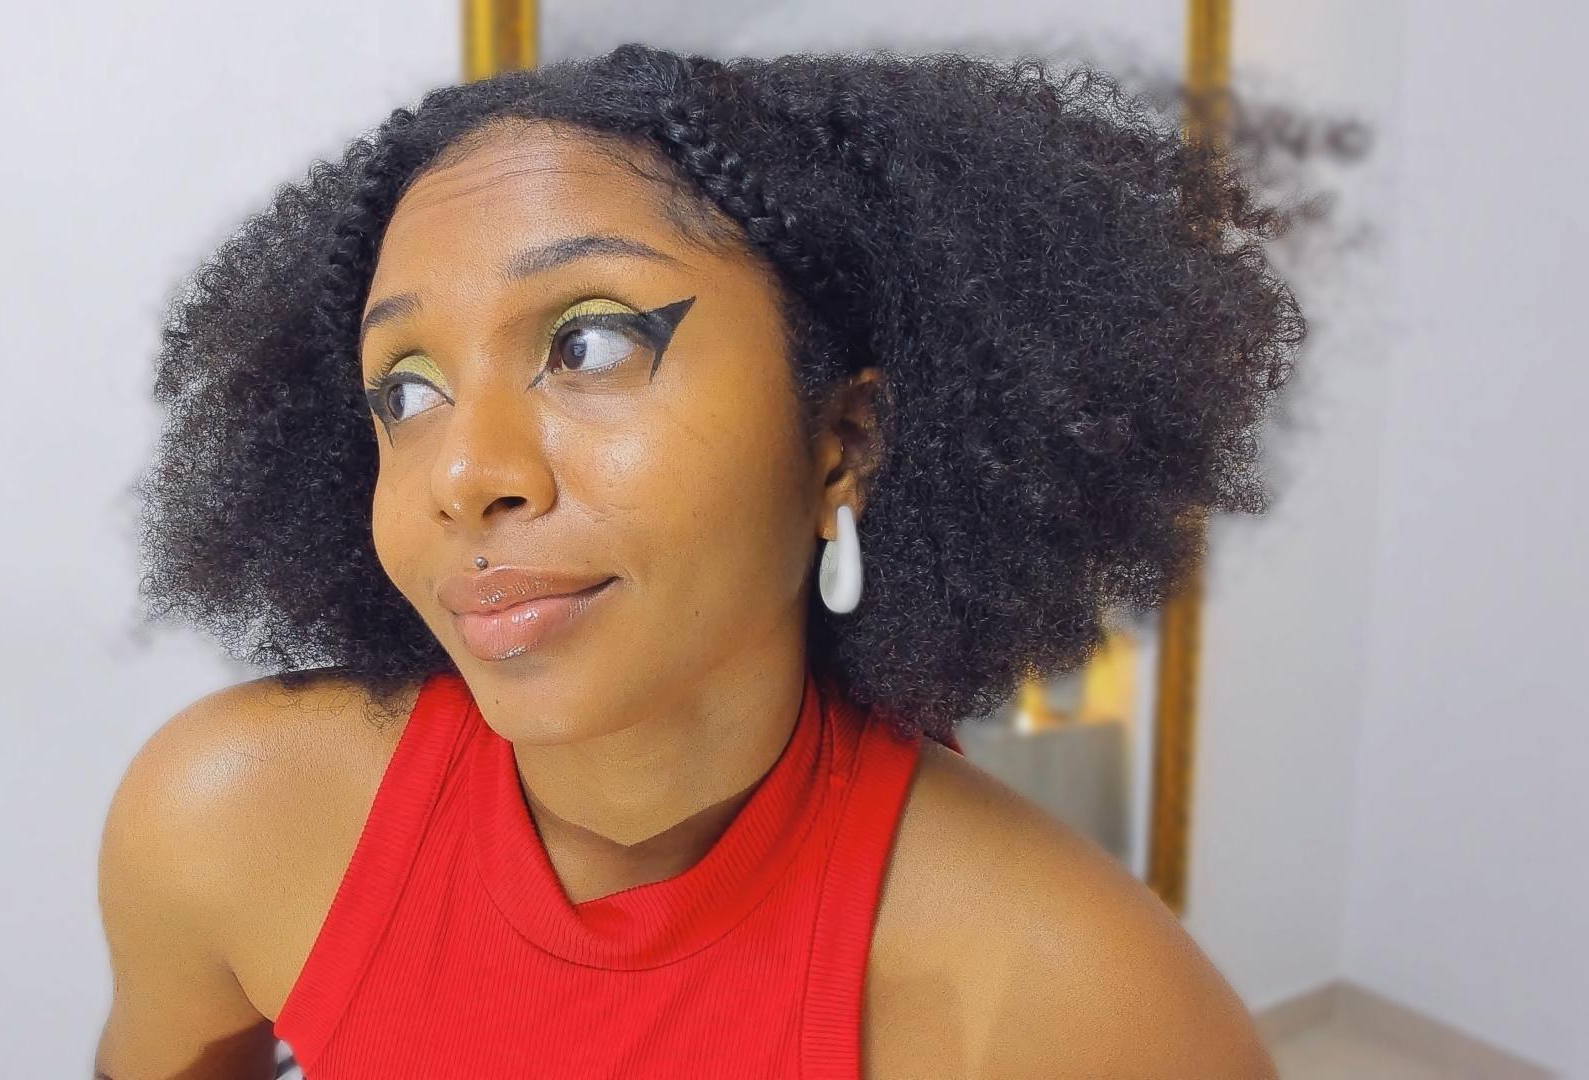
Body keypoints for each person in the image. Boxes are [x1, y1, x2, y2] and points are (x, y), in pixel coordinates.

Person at [97, 43, 1297, 1079]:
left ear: (842, 444)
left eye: (590, 344)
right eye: (405, 392)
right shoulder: (229, 819)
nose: (463, 473)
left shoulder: (1079, 1001)